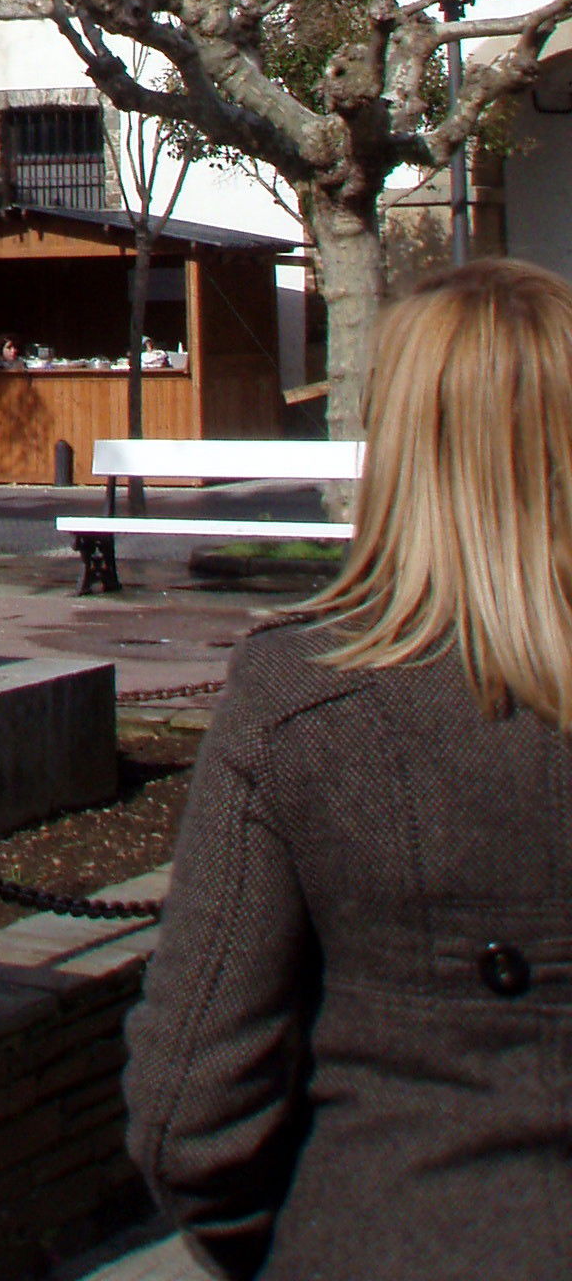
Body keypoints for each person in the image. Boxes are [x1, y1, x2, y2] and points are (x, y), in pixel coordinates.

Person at [127, 260, 572, 1279]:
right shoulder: (300, 702)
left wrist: (320, 1234)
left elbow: (191, 1109)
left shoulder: (302, 704)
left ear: (401, 449)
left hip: (390, 1227)